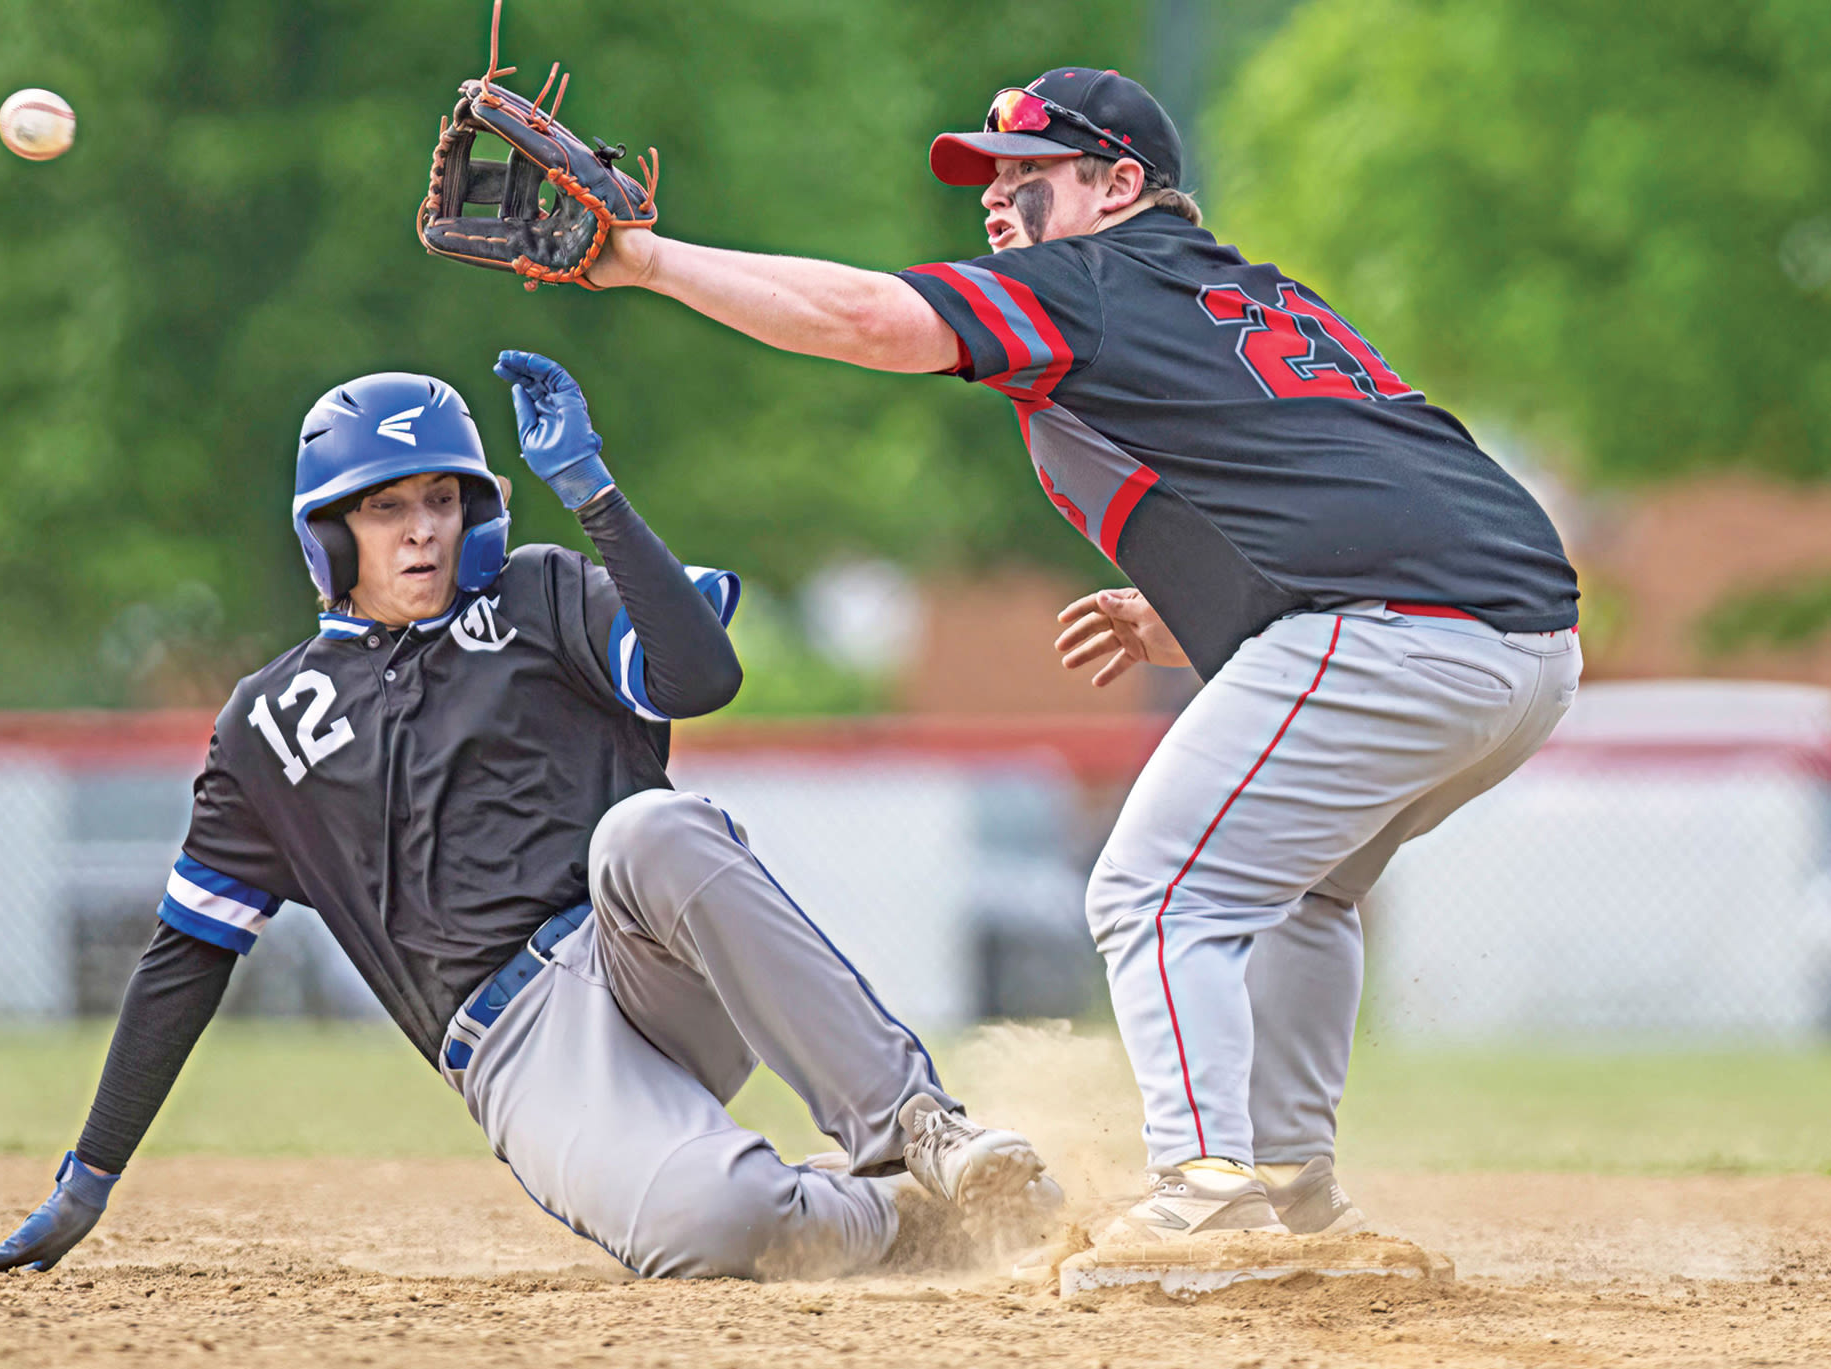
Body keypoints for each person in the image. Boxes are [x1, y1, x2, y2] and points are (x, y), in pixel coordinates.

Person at [578, 69, 1582, 1241]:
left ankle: (1208, 1201)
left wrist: (644, 260)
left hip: (1401, 635)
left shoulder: (1092, 282)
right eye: (990, 179)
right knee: (1304, 892)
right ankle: (1296, 1198)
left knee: (1155, 891)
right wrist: (1195, 605)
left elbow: (866, 319)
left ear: (1120, 186)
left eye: (1032, 174)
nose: (999, 201)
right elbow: (1347, 471)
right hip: (1528, 649)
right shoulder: (1243, 295)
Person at [0, 352, 1056, 1281]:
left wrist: (596, 493)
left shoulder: (535, 593)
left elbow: (700, 676)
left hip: (639, 952)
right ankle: (904, 1224)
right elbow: (188, 952)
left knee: (650, 830)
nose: (422, 530)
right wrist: (88, 1177)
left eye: (443, 499)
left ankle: (917, 1132)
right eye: (386, 508)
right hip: (519, 1049)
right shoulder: (268, 728)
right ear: (329, 535)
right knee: (716, 1227)